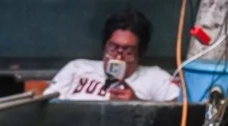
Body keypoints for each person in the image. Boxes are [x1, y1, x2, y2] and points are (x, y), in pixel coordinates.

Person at [47, 10, 180, 102]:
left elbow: (180, 111)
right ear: (104, 46)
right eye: (113, 47)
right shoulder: (77, 67)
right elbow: (47, 103)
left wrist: (137, 103)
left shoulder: (154, 78)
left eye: (128, 50)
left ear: (141, 52)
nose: (118, 55)